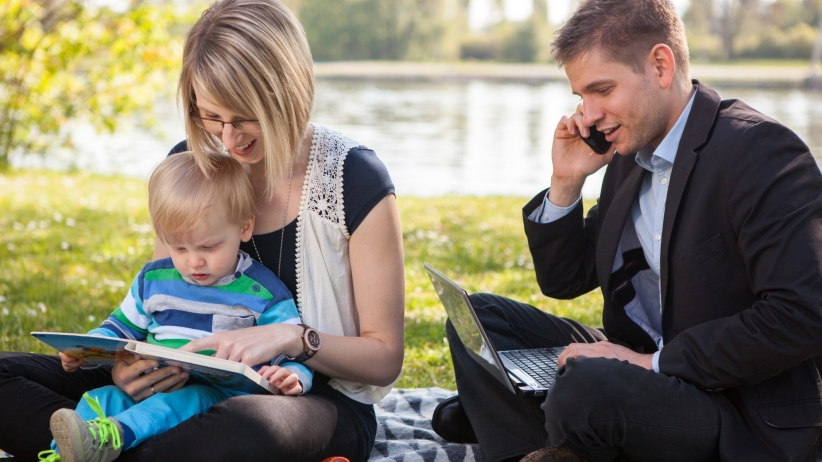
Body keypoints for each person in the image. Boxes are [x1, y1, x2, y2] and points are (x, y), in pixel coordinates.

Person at [0, 0, 405, 460]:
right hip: (176, 385)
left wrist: (292, 338)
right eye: (211, 117)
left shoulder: (354, 178)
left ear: (287, 91)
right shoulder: (189, 164)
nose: (228, 139)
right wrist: (128, 367)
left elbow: (385, 356)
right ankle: (109, 443)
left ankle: (96, 447)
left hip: (306, 399)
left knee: (242, 428)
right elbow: (161, 295)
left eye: (244, 116)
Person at [433, 0, 822, 461]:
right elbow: (565, 279)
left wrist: (647, 364)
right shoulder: (630, 156)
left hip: (731, 407)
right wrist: (566, 181)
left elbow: (802, 313)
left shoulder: (758, 150)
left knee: (587, 390)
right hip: (636, 371)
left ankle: (526, 425)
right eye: (581, 97)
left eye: (602, 90)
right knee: (480, 321)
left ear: (660, 65)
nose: (589, 114)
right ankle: (540, 444)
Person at [38, 151, 312, 462]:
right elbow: (119, 327)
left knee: (183, 399)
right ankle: (67, 454)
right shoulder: (153, 280)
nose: (194, 261)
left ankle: (109, 441)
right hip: (156, 384)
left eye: (209, 246)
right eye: (179, 247)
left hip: (220, 400)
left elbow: (293, 351)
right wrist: (84, 348)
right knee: (101, 398)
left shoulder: (264, 293)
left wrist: (294, 377)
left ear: (244, 227)